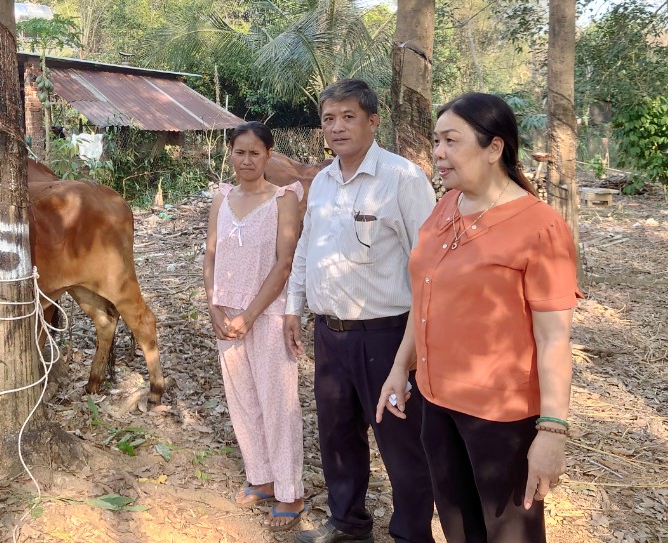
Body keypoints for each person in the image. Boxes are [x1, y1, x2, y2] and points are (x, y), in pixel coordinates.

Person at [376, 92, 580, 543]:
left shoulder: (539, 226)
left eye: (451, 140)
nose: (438, 153)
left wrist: (552, 432)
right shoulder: (445, 207)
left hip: (501, 417)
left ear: (494, 148)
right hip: (437, 402)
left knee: (509, 534)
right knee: (458, 526)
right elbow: (424, 295)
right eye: (436, 141)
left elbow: (554, 339)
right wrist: (399, 367)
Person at [283, 79, 438, 543]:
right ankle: (348, 523)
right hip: (329, 333)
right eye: (329, 119)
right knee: (336, 435)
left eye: (348, 117)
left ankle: (412, 534)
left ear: (373, 121)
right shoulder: (323, 182)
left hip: (387, 336)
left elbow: (428, 264)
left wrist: (415, 346)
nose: (337, 127)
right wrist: (294, 306)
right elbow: (307, 247)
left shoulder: (403, 178)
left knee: (401, 441)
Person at [205, 121, 307, 531]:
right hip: (226, 314)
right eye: (239, 151)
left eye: (255, 153)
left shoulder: (284, 199)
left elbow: (284, 264)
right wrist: (214, 305)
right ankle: (262, 478)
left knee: (278, 403)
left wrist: (249, 315)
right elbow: (210, 256)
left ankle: (291, 492)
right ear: (230, 154)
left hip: (267, 316)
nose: (246, 160)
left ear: (268, 156)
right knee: (242, 399)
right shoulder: (221, 198)